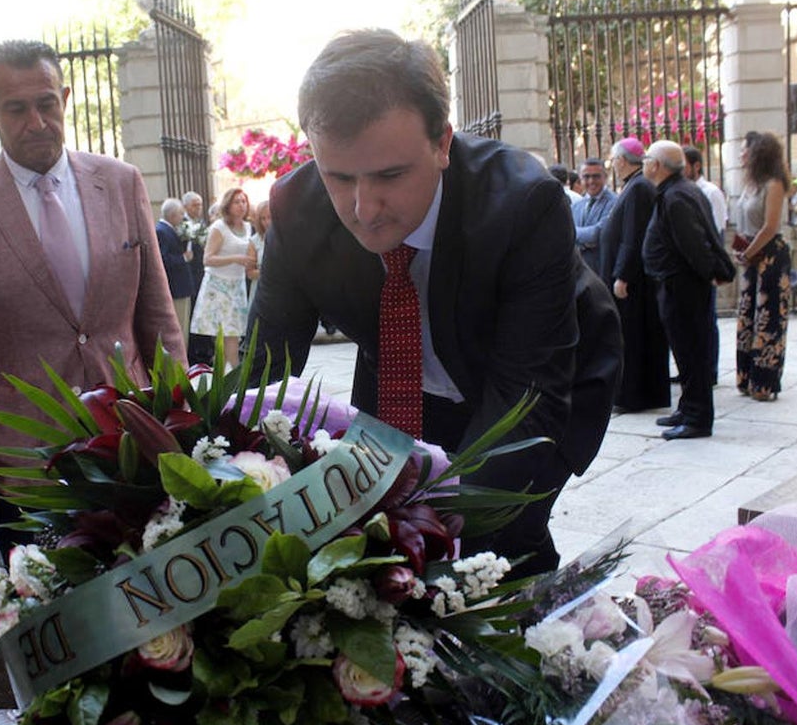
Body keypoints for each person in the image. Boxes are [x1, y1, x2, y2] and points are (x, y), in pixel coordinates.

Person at [248, 29, 622, 577]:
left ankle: (536, 623)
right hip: (400, 378)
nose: (364, 208)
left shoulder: (523, 203)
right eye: (339, 176)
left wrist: (429, 531)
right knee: (375, 546)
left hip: (538, 382)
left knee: (494, 544)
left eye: (390, 176)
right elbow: (263, 373)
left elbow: (526, 393)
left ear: (443, 143)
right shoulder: (294, 208)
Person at [0, 40, 184, 556]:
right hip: (26, 463)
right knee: (46, 614)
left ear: (65, 96)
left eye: (46, 104)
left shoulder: (121, 182)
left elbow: (158, 318)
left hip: (132, 444)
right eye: (16, 109)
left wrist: (181, 420)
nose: (36, 122)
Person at [641, 140, 735, 440]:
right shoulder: (676, 190)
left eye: (647, 159)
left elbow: (694, 243)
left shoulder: (677, 196)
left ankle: (698, 417)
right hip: (676, 285)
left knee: (693, 352)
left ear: (656, 165)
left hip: (683, 287)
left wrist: (710, 273)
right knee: (685, 352)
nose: (644, 163)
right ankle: (688, 406)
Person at [599, 138, 668, 413]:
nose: (613, 164)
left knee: (631, 338)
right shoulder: (636, 184)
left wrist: (622, 276)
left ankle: (632, 396)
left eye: (614, 159)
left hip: (631, 283)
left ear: (624, 160)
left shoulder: (638, 187)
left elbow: (632, 236)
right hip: (632, 281)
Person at [734, 131, 792, 401]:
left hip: (769, 258)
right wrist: (743, 251)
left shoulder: (774, 184)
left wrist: (748, 250)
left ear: (758, 153)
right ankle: (747, 377)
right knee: (748, 317)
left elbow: (770, 227)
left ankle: (764, 382)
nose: (741, 154)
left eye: (745, 149)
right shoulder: (750, 184)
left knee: (768, 319)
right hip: (751, 257)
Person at [190, 187, 254, 365]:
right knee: (225, 336)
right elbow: (207, 259)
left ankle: (229, 378)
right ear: (227, 205)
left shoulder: (248, 227)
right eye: (236, 202)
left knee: (233, 334)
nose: (241, 205)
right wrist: (236, 258)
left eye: (243, 201)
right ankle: (232, 378)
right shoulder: (219, 227)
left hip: (237, 285)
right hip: (218, 287)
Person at [683, 145, 727, 385]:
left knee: (707, 320)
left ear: (696, 166)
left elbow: (716, 231)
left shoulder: (710, 192)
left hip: (704, 267)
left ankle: (710, 370)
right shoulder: (686, 190)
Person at [156, 197, 195, 349]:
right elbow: (163, 260)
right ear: (172, 215)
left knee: (182, 326)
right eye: (180, 214)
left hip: (180, 287)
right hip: (176, 288)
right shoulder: (162, 231)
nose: (182, 218)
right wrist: (183, 258)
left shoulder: (167, 230)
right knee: (179, 327)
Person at [182, 191, 214, 365]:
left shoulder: (201, 224)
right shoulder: (182, 225)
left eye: (200, 204)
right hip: (190, 277)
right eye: (195, 204)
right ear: (186, 206)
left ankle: (205, 351)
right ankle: (194, 354)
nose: (199, 208)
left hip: (203, 275)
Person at [572, 157, 617, 272]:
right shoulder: (576, 205)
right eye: (586, 177)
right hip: (579, 270)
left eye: (596, 176)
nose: (591, 181)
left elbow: (596, 234)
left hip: (602, 270)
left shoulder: (615, 203)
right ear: (580, 179)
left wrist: (572, 232)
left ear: (605, 178)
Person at [246, 199, 271, 305]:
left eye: (270, 217)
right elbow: (250, 273)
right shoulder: (254, 241)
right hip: (261, 289)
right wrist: (269, 275)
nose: (267, 222)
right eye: (263, 218)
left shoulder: (286, 238)